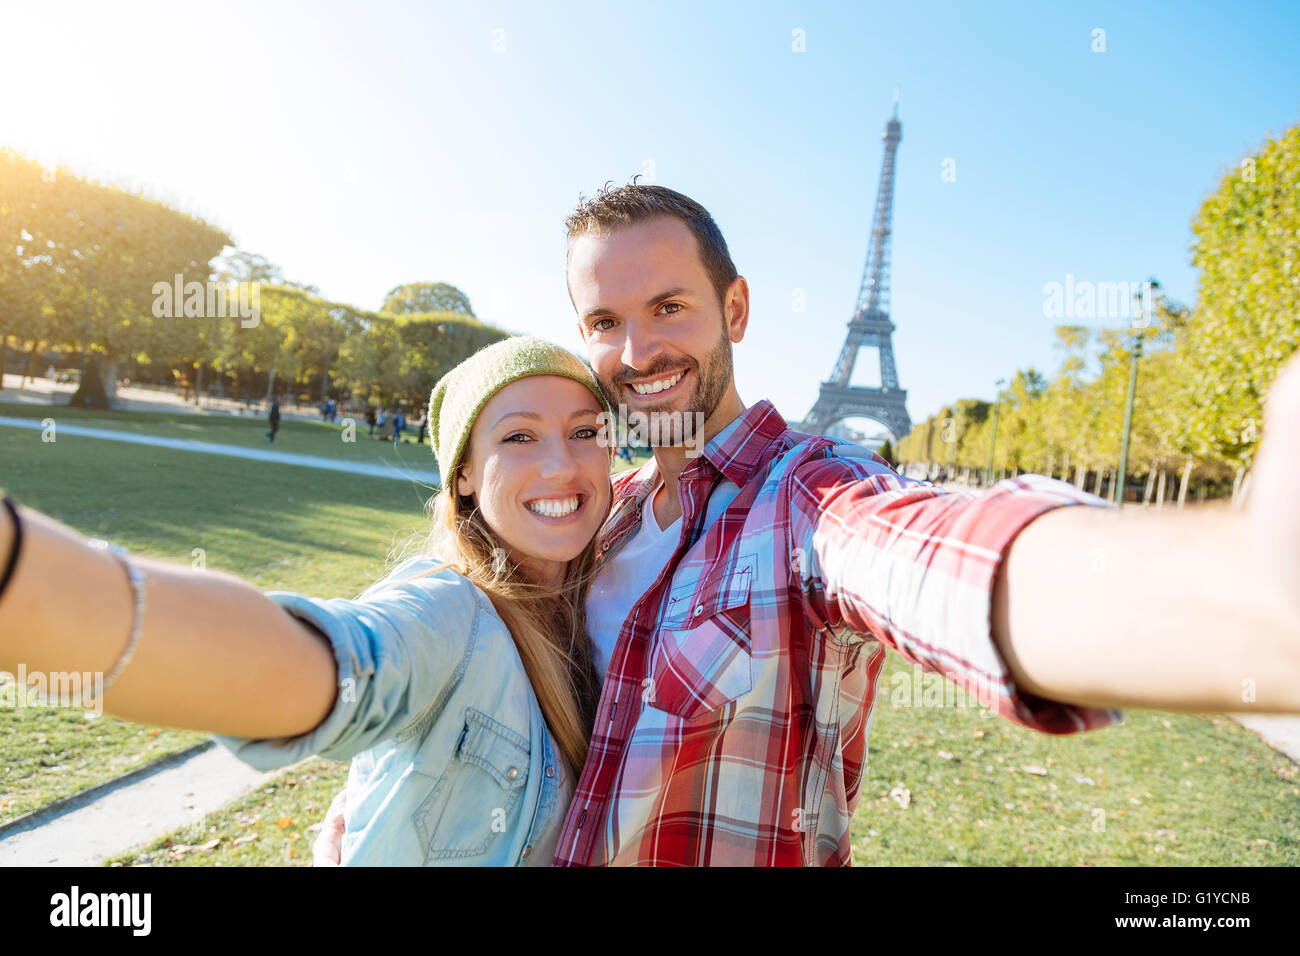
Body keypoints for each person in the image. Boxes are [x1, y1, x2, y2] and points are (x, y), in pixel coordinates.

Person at [316, 182, 1300, 867]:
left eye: (669, 306)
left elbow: (927, 555)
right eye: (605, 320)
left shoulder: (803, 500)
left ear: (735, 307)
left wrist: (1244, 594)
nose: (638, 347)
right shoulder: (595, 518)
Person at [0, 336, 615, 865]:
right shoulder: (449, 611)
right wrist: (22, 574)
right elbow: (319, 662)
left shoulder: (610, 596)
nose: (562, 464)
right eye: (520, 436)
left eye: (584, 431)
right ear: (464, 474)